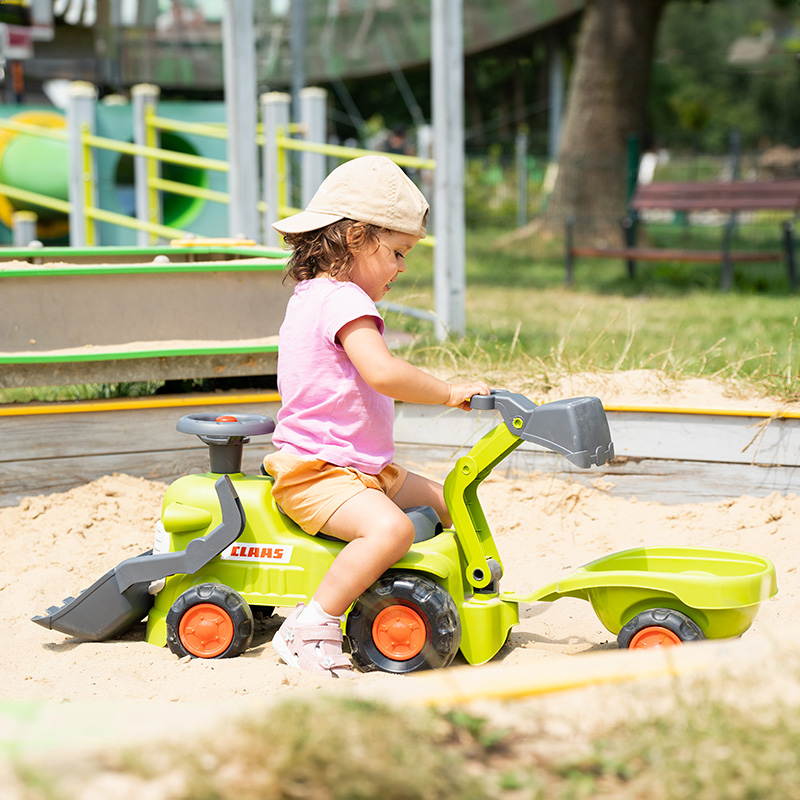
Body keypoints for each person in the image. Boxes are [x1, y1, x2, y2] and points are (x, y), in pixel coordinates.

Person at [265, 155, 490, 678]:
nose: (403, 267)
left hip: (363, 468)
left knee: (449, 498)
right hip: (319, 472)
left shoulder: (315, 296)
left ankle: (455, 592)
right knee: (392, 531)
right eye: (398, 252)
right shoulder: (343, 300)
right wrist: (448, 392)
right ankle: (311, 625)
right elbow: (382, 372)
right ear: (355, 237)